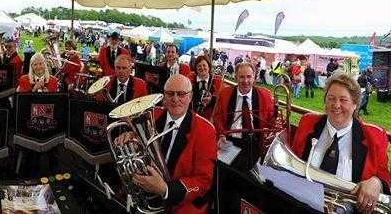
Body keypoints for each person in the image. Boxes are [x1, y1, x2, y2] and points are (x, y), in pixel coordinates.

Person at [291, 73, 391, 214]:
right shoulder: (307, 122)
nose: (336, 105)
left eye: (343, 100)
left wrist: (377, 182)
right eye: (331, 98)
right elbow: (293, 160)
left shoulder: (374, 136)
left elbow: (385, 178)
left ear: (355, 104)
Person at [115, 75, 216, 213]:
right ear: (163, 96)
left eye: (181, 94)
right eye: (170, 93)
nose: (175, 99)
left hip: (181, 203)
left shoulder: (206, 130)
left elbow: (204, 181)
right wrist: (130, 137)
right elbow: (140, 142)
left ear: (191, 96)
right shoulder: (152, 114)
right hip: (145, 193)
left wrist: (166, 190)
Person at [213, 62, 274, 171]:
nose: (245, 81)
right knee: (223, 171)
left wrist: (269, 133)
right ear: (235, 77)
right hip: (229, 141)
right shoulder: (225, 93)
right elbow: (217, 118)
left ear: (254, 77)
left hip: (254, 143)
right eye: (241, 77)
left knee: (250, 179)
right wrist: (222, 134)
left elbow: (271, 119)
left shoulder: (265, 95)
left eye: (249, 77)